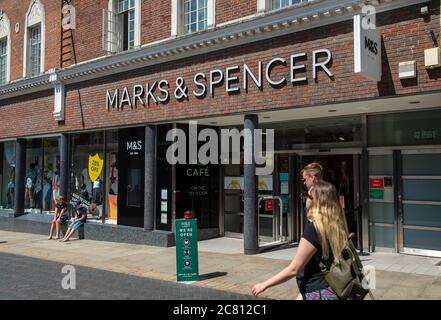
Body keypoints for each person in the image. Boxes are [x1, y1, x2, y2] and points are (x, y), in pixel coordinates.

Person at [251, 180, 349, 300]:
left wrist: (264, 285)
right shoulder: (335, 225)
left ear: (316, 201)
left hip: (315, 292)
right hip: (331, 288)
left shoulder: (314, 229)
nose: (305, 199)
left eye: (308, 196)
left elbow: (294, 269)